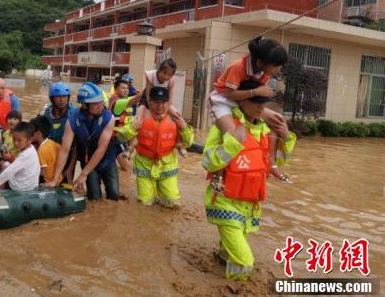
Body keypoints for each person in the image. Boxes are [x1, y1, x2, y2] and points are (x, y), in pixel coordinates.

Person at [202, 80, 296, 281]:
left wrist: (286, 137)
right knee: (244, 263)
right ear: (241, 101)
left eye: (264, 102)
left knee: (229, 255)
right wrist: (233, 142)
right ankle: (236, 288)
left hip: (249, 206)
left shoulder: (263, 129)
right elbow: (208, 162)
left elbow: (277, 162)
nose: (261, 107)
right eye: (256, 102)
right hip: (224, 202)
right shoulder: (224, 125)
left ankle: (222, 261)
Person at [209, 37, 290, 192]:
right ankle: (217, 174)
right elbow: (229, 93)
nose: (278, 70)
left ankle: (271, 164)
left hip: (247, 100)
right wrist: (255, 91)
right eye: (276, 66)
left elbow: (259, 96)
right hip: (222, 100)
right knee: (231, 133)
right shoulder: (237, 67)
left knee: (277, 120)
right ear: (260, 62)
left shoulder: (265, 72)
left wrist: (261, 98)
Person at [118, 87, 194, 206]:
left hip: (167, 165)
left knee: (172, 203)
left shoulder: (176, 118)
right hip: (144, 164)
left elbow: (188, 143)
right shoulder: (141, 116)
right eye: (156, 102)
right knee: (145, 204)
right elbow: (121, 137)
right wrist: (133, 127)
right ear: (150, 102)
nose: (160, 106)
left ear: (168, 103)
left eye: (163, 102)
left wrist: (184, 127)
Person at [45, 82, 119, 201]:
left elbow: (101, 149)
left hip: (107, 159)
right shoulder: (73, 119)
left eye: (101, 101)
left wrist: (83, 174)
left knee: (114, 195)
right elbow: (65, 149)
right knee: (95, 198)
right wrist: (55, 178)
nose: (101, 105)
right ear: (84, 105)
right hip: (88, 160)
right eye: (96, 103)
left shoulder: (108, 117)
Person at [42, 82, 78, 182]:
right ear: (52, 99)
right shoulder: (46, 112)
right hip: (51, 153)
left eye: (64, 97)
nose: (62, 100)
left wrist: (70, 168)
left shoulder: (74, 113)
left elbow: (76, 145)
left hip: (68, 153)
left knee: (65, 182)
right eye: (58, 97)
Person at [0, 122, 40, 191]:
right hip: (31, 185)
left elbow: (9, 171)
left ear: (30, 140)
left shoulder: (25, 154)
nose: (15, 143)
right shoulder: (31, 149)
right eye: (14, 139)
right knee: (5, 165)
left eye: (19, 140)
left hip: (19, 187)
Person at [108, 79, 142, 171]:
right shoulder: (119, 102)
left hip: (119, 138)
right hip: (115, 139)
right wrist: (152, 85)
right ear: (116, 89)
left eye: (127, 88)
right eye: (123, 88)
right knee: (128, 169)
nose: (126, 90)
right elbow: (136, 99)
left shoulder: (118, 101)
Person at [30, 115, 61, 184]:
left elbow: (43, 171)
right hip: (58, 178)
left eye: (31, 133)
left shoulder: (42, 150)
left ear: (38, 134)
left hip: (47, 181)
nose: (29, 135)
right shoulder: (51, 142)